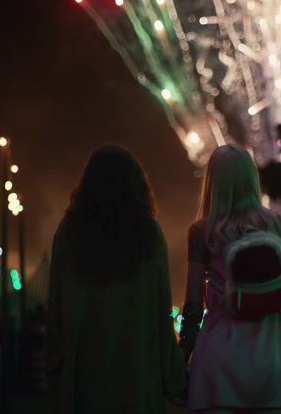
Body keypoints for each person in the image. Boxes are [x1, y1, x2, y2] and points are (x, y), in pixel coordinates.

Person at [47, 145, 186, 413]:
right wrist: (175, 379)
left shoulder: (69, 233)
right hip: (137, 373)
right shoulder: (149, 236)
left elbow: (56, 307)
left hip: (85, 373)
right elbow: (161, 312)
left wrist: (55, 368)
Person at [179, 144, 281, 414]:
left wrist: (181, 359)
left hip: (217, 361)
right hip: (271, 357)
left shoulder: (203, 232)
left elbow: (192, 306)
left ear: (213, 182)